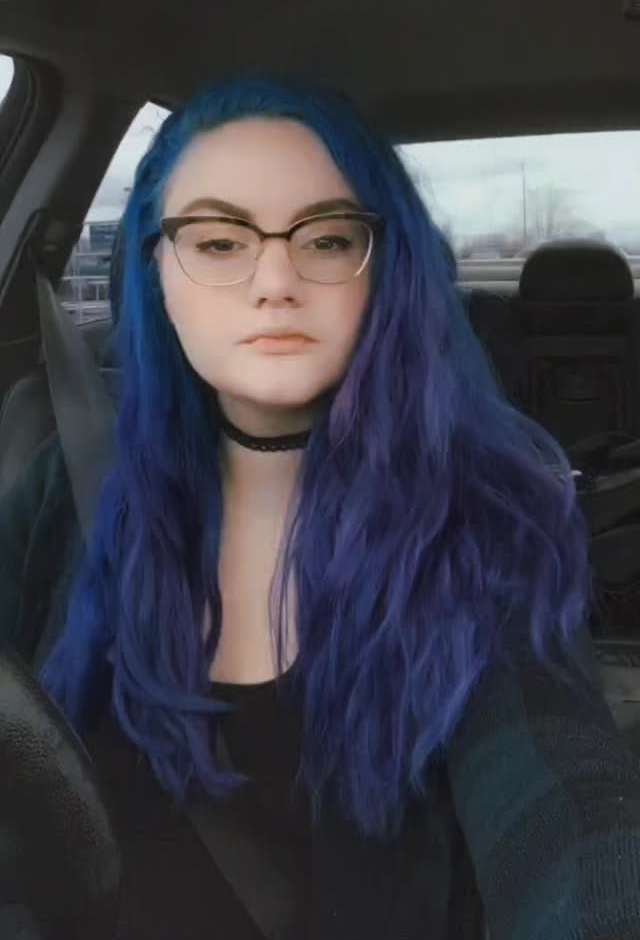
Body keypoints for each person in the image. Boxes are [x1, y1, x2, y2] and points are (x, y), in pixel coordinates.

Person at [2, 76, 640, 940]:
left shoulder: (484, 516)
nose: (276, 280)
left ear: (385, 272)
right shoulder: (66, 479)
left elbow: (564, 795)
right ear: (155, 273)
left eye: (329, 239)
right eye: (219, 242)